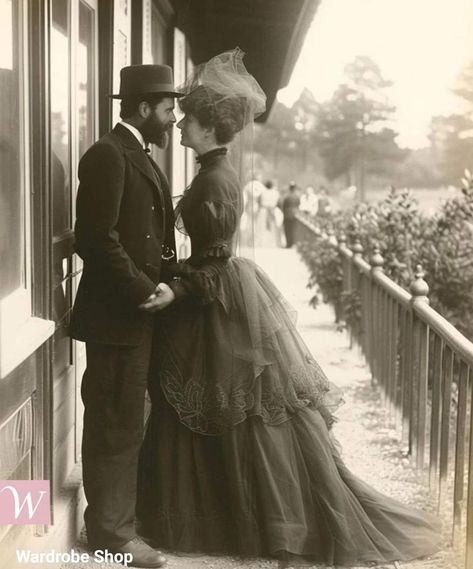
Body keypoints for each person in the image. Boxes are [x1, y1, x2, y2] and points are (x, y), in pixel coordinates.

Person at [136, 49, 441, 567]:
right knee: (239, 411)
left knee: (243, 412)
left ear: (211, 129)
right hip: (224, 292)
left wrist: (175, 288)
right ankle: (240, 513)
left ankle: (267, 520)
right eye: (180, 119)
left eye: (189, 121)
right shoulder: (218, 172)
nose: (182, 127)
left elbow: (210, 266)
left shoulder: (213, 181)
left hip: (215, 298)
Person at [70, 63, 184, 568]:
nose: (172, 117)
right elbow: (96, 239)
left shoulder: (135, 153)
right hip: (117, 315)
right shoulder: (108, 155)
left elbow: (145, 236)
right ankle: (111, 538)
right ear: (143, 108)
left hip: (134, 313)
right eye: (167, 108)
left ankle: (117, 526)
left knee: (125, 420)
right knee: (114, 422)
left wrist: (170, 283)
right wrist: (145, 290)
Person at [281, 181, 301, 248]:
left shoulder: (287, 197)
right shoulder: (297, 197)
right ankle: (292, 243)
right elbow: (299, 205)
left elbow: (283, 206)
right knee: (293, 230)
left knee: (288, 230)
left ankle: (288, 243)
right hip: (294, 215)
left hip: (287, 215)